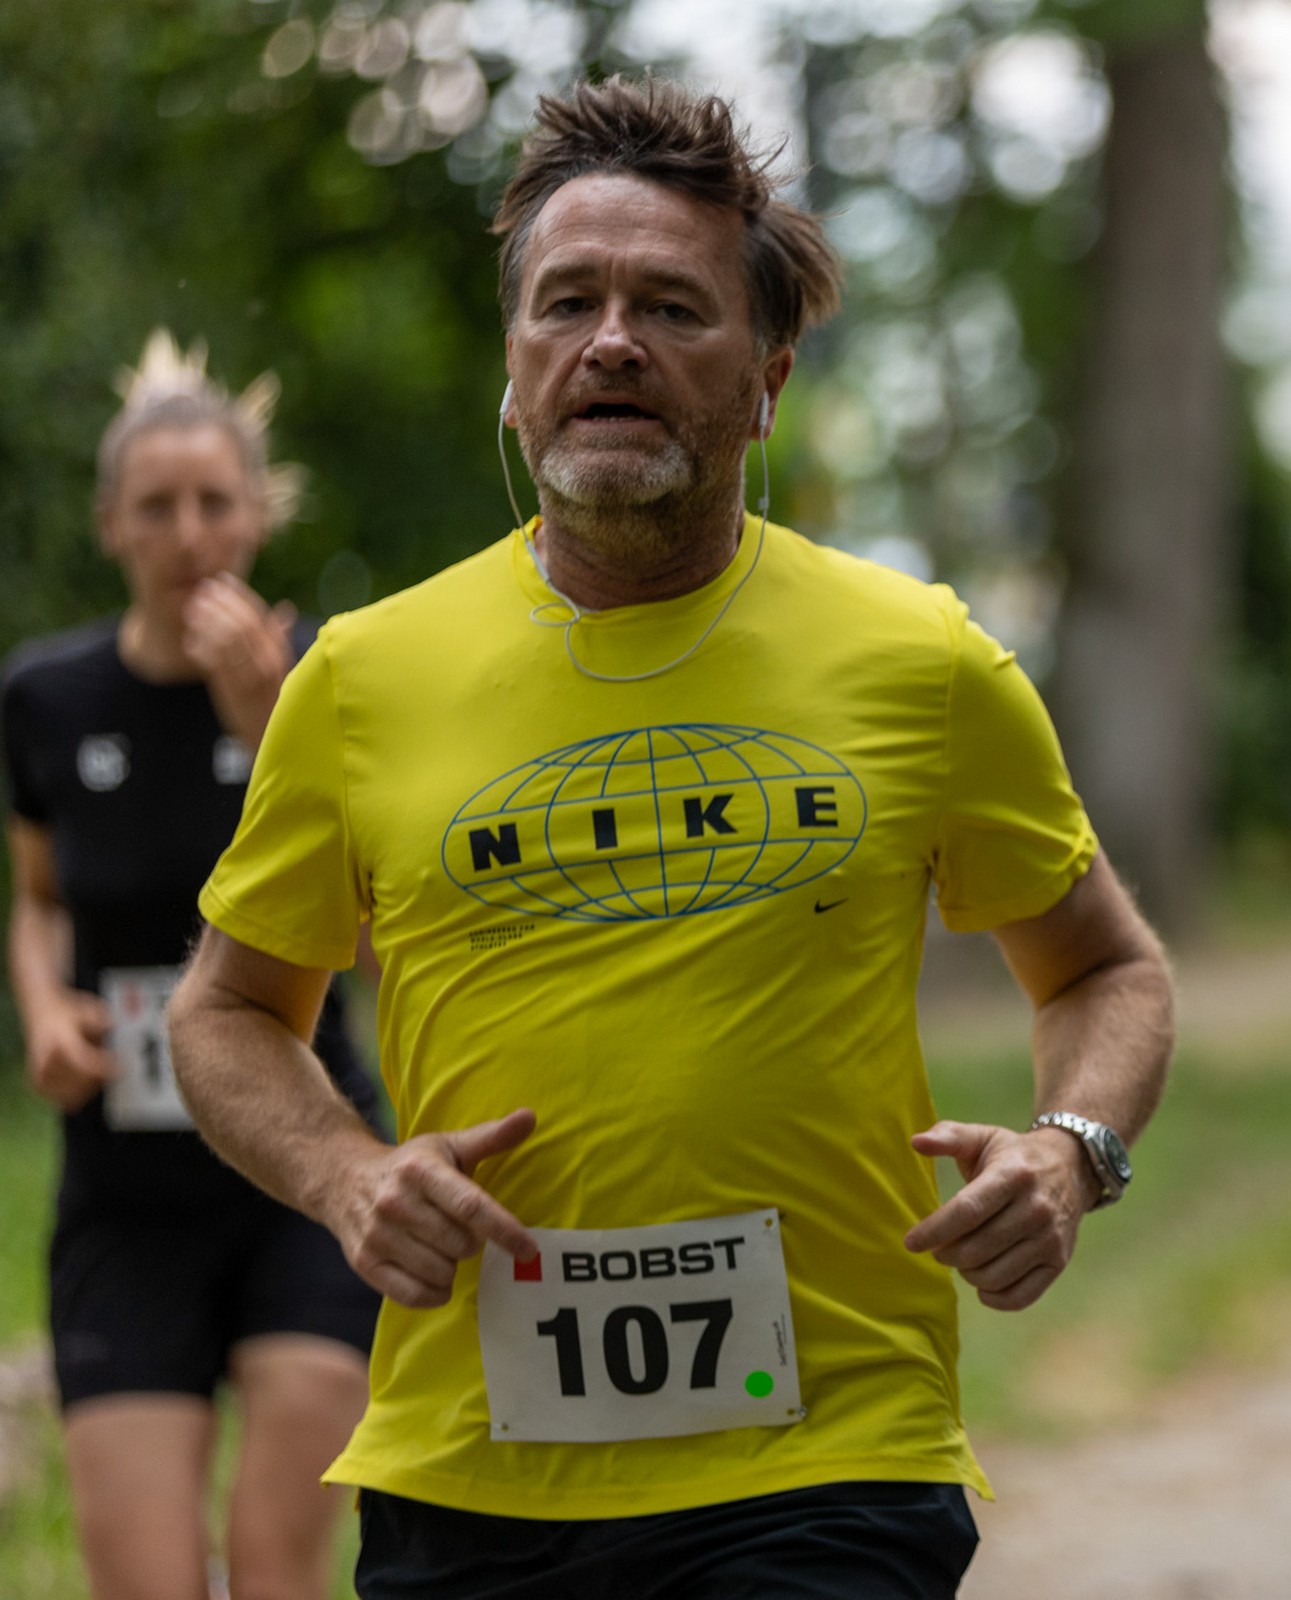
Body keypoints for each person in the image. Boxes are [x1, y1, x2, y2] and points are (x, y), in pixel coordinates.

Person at [165, 79, 1173, 1600]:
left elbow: (1106, 969)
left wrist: (1069, 1151)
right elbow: (227, 1010)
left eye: (674, 307)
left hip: (828, 1461)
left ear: (767, 381)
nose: (613, 341)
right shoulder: (365, 680)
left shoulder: (919, 660)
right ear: (516, 371)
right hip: (473, 1469)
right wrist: (346, 1176)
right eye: (568, 303)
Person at [4, 332, 382, 1599]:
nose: (189, 536)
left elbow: (379, 934)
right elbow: (38, 898)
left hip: (304, 1164)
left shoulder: (331, 677)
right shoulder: (47, 699)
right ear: (110, 524)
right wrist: (43, 1005)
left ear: (260, 515)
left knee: (275, 1567)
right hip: (126, 1190)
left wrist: (267, 725)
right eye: (156, 507)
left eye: (215, 502)